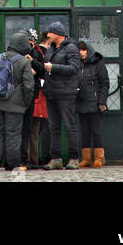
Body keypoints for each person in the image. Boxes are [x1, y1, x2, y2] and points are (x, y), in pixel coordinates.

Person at [0, 30, 34, 172]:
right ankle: (11, 164)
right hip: (16, 105)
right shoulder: (24, 62)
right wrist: (25, 102)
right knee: (13, 134)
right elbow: (29, 86)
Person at [43, 19, 82, 169]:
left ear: (58, 34)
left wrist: (53, 67)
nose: (48, 34)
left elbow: (74, 69)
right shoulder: (51, 48)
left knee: (70, 125)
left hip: (66, 93)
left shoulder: (72, 48)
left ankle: (73, 158)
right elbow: (47, 68)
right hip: (52, 92)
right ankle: (56, 159)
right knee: (54, 127)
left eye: (50, 32)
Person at [75, 37, 110, 168]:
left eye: (83, 49)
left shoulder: (98, 63)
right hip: (81, 102)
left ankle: (99, 158)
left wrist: (101, 101)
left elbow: (105, 84)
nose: (81, 52)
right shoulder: (77, 64)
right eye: (79, 50)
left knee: (96, 131)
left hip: (95, 103)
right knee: (84, 131)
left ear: (88, 50)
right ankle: (86, 158)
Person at [21, 28, 48, 168]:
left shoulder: (33, 53)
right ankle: (31, 159)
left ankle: (31, 160)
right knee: (32, 131)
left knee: (31, 130)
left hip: (32, 96)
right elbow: (42, 71)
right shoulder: (37, 52)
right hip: (33, 95)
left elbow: (41, 70)